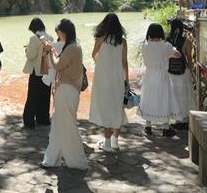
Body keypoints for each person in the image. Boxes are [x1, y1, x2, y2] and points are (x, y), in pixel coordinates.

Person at [41, 19, 88, 170]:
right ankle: (52, 158)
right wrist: (53, 51)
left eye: (58, 32)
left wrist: (49, 51)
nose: (57, 35)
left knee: (67, 126)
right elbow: (61, 61)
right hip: (68, 90)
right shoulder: (74, 47)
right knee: (59, 125)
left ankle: (76, 161)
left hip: (66, 91)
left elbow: (57, 65)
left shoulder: (72, 48)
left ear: (64, 32)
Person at [89, 13, 129, 152]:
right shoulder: (123, 42)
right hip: (117, 78)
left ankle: (107, 143)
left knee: (106, 108)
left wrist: (101, 63)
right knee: (117, 108)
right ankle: (115, 142)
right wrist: (127, 80)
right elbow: (124, 63)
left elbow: (93, 55)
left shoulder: (100, 39)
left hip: (103, 78)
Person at [138, 24, 183, 137]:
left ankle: (148, 126)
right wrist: (169, 54)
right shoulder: (166, 46)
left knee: (149, 98)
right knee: (164, 98)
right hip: (162, 75)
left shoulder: (145, 46)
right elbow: (178, 55)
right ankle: (165, 127)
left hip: (149, 75)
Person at [23, 17, 53, 129]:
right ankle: (43, 119)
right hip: (47, 71)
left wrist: (27, 50)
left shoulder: (33, 38)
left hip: (36, 71)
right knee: (45, 96)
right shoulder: (50, 37)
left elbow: (31, 56)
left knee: (32, 97)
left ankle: (29, 121)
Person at [166, 19, 195, 130]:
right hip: (183, 71)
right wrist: (192, 71)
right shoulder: (186, 41)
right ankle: (184, 120)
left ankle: (177, 119)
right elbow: (189, 58)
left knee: (175, 95)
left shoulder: (167, 41)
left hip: (171, 71)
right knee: (185, 95)